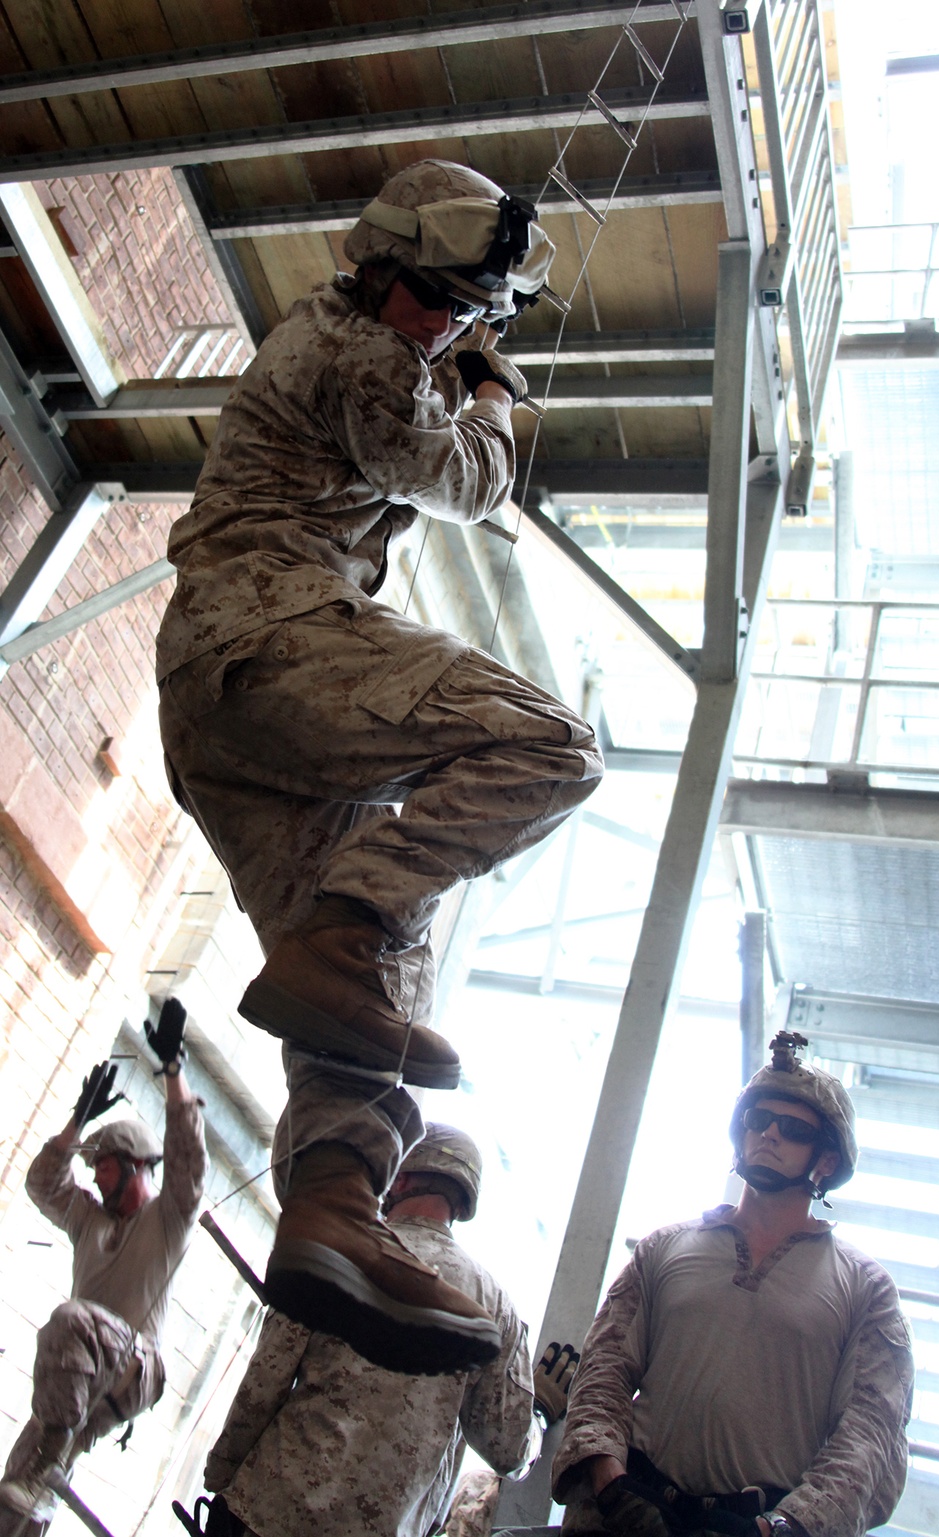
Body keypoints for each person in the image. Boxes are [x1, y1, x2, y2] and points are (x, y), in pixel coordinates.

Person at [155, 156, 603, 1375]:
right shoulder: (357, 352)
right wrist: (497, 394)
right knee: (550, 745)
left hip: (232, 708)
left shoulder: (374, 340)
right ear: (376, 266)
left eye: (471, 315)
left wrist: (460, 357)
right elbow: (469, 479)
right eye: (430, 301)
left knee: (350, 1001)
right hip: (269, 637)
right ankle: (357, 914)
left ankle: (333, 1215)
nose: (443, 326)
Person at [551, 1031, 915, 1537]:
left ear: (826, 1161)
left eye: (792, 1129)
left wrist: (781, 1529)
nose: (769, 1135)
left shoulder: (866, 1291)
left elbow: (870, 1434)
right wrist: (610, 1483)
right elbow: (603, 1369)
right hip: (623, 1512)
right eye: (757, 1120)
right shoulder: (663, 1248)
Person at [187, 1126, 574, 1537]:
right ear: (461, 1201)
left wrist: (221, 1478)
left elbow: (266, 1377)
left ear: (401, 1178)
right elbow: (507, 1449)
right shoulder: (495, 1308)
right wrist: (539, 1411)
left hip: (270, 1512)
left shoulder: (336, 1246)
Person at [0, 1000, 207, 1532]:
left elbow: (187, 1157)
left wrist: (173, 1071)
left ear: (136, 1167)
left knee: (71, 1318)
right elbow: (41, 1184)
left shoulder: (169, 1217)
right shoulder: (88, 1221)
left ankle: (55, 1449)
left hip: (137, 1366)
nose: (93, 1178)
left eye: (104, 1167)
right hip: (85, 1376)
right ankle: (44, 1478)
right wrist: (76, 1125)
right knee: (18, 1487)